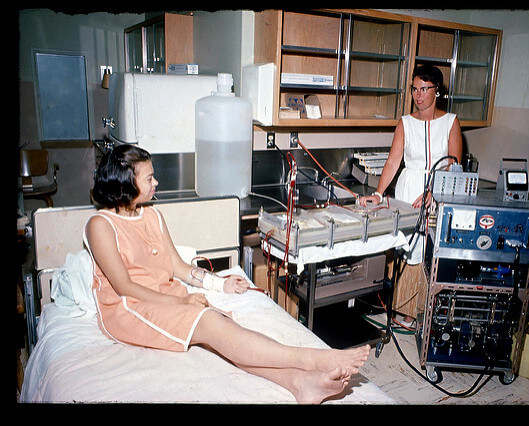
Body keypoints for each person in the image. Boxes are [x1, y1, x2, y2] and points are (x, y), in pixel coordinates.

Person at [84, 144, 370, 404]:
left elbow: (179, 268)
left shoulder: (153, 215)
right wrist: (182, 303)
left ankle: (299, 384)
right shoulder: (101, 225)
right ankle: (315, 359)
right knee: (211, 323)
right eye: (148, 178)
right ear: (124, 182)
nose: (156, 183)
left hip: (163, 296)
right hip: (128, 309)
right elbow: (124, 287)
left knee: (223, 329)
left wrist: (217, 283)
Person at [359, 64, 462, 322]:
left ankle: (427, 312)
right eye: (415, 89)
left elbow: (454, 165)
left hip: (437, 194)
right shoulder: (405, 123)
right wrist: (380, 194)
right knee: (407, 250)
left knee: (431, 252)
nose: (418, 95)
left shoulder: (451, 122)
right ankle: (403, 309)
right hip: (409, 190)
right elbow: (394, 161)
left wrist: (435, 194)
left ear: (437, 91)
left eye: (424, 89)